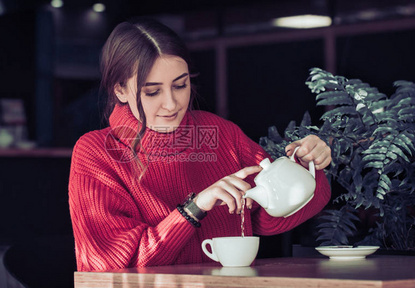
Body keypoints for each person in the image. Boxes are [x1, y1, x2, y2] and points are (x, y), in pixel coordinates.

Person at [68, 18, 331, 272]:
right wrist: (195, 208)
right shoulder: (96, 153)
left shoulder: (219, 133)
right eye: (152, 91)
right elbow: (112, 268)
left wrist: (307, 166)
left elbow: (272, 216)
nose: (171, 104)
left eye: (180, 85)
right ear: (120, 90)